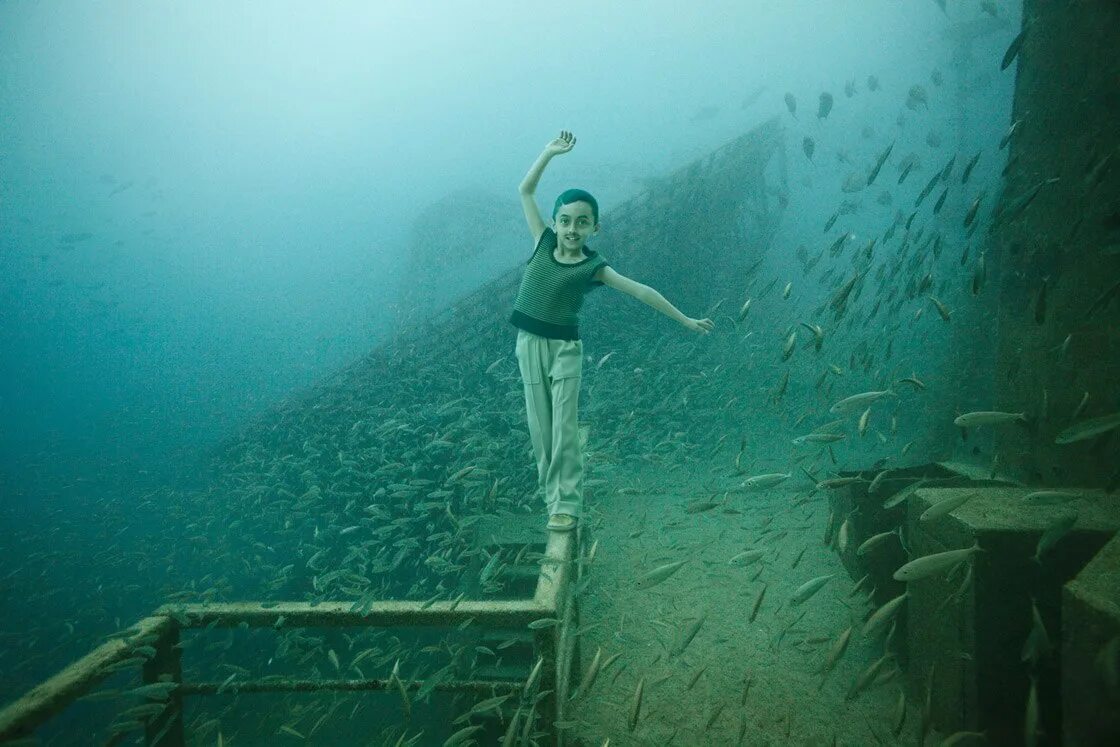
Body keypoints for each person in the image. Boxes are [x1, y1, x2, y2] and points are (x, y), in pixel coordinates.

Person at [511, 130, 715, 532]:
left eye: (582, 223)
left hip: (565, 349)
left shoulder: (594, 267)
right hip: (528, 344)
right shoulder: (541, 240)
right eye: (566, 220)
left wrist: (685, 320)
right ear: (555, 222)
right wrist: (549, 153)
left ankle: (564, 505)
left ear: (594, 229)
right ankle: (550, 494)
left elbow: (641, 291)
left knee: (563, 426)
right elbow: (525, 190)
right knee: (541, 425)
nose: (572, 229)